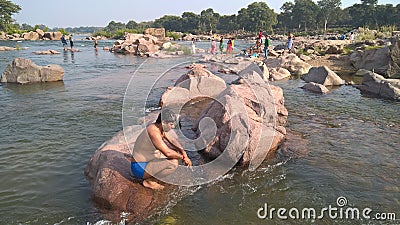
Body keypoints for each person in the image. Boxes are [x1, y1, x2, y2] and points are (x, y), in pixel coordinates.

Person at [130, 109, 192, 190]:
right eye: (171, 124)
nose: (173, 127)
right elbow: (168, 153)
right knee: (173, 163)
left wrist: (183, 152)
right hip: (140, 167)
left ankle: (152, 175)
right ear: (163, 122)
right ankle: (149, 181)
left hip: (148, 160)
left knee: (176, 152)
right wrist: (183, 158)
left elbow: (173, 140)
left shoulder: (160, 128)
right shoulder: (153, 132)